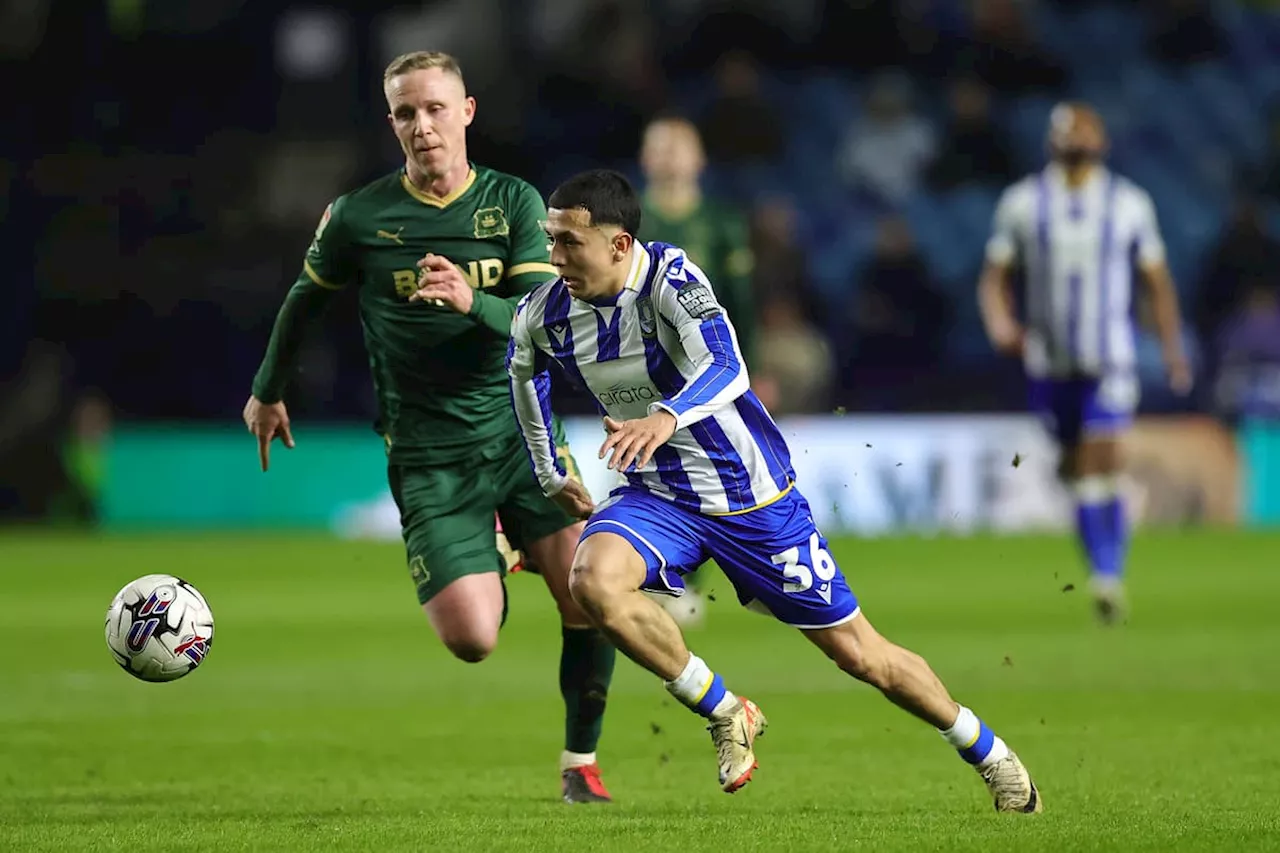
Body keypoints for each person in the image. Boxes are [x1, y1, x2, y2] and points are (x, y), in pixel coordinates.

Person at [507, 168, 1043, 812]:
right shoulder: (546, 311)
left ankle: (988, 752)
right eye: (550, 239)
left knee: (862, 657)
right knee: (591, 581)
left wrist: (667, 416)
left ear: (619, 245)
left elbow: (727, 366)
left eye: (569, 242)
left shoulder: (670, 280)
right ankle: (726, 710)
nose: (554, 257)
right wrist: (549, 470)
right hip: (660, 496)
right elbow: (523, 374)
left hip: (752, 500)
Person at [244, 51, 617, 804]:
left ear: (467, 112)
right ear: (392, 123)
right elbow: (304, 298)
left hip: (522, 438)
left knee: (591, 594)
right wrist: (268, 391)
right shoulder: (359, 216)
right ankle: (491, 549)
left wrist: (470, 304)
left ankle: (580, 763)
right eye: (407, 113)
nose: (423, 126)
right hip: (428, 455)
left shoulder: (514, 204)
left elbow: (547, 324)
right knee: (473, 640)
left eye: (436, 109)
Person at [978, 102, 1191, 624]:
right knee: (1080, 471)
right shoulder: (1025, 203)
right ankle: (1103, 565)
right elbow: (994, 277)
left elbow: (1156, 281)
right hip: (1049, 363)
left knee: (1101, 458)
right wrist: (1000, 324)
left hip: (1109, 359)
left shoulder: (1128, 203)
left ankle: (1106, 575)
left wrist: (1171, 348)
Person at [637, 114, 756, 627]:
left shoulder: (722, 221)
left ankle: (706, 578)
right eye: (658, 148)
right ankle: (661, 573)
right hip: (639, 368)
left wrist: (747, 363)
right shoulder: (631, 220)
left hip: (706, 370)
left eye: (677, 147)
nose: (667, 157)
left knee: (717, 472)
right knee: (649, 471)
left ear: (699, 159)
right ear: (644, 159)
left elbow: (741, 303)